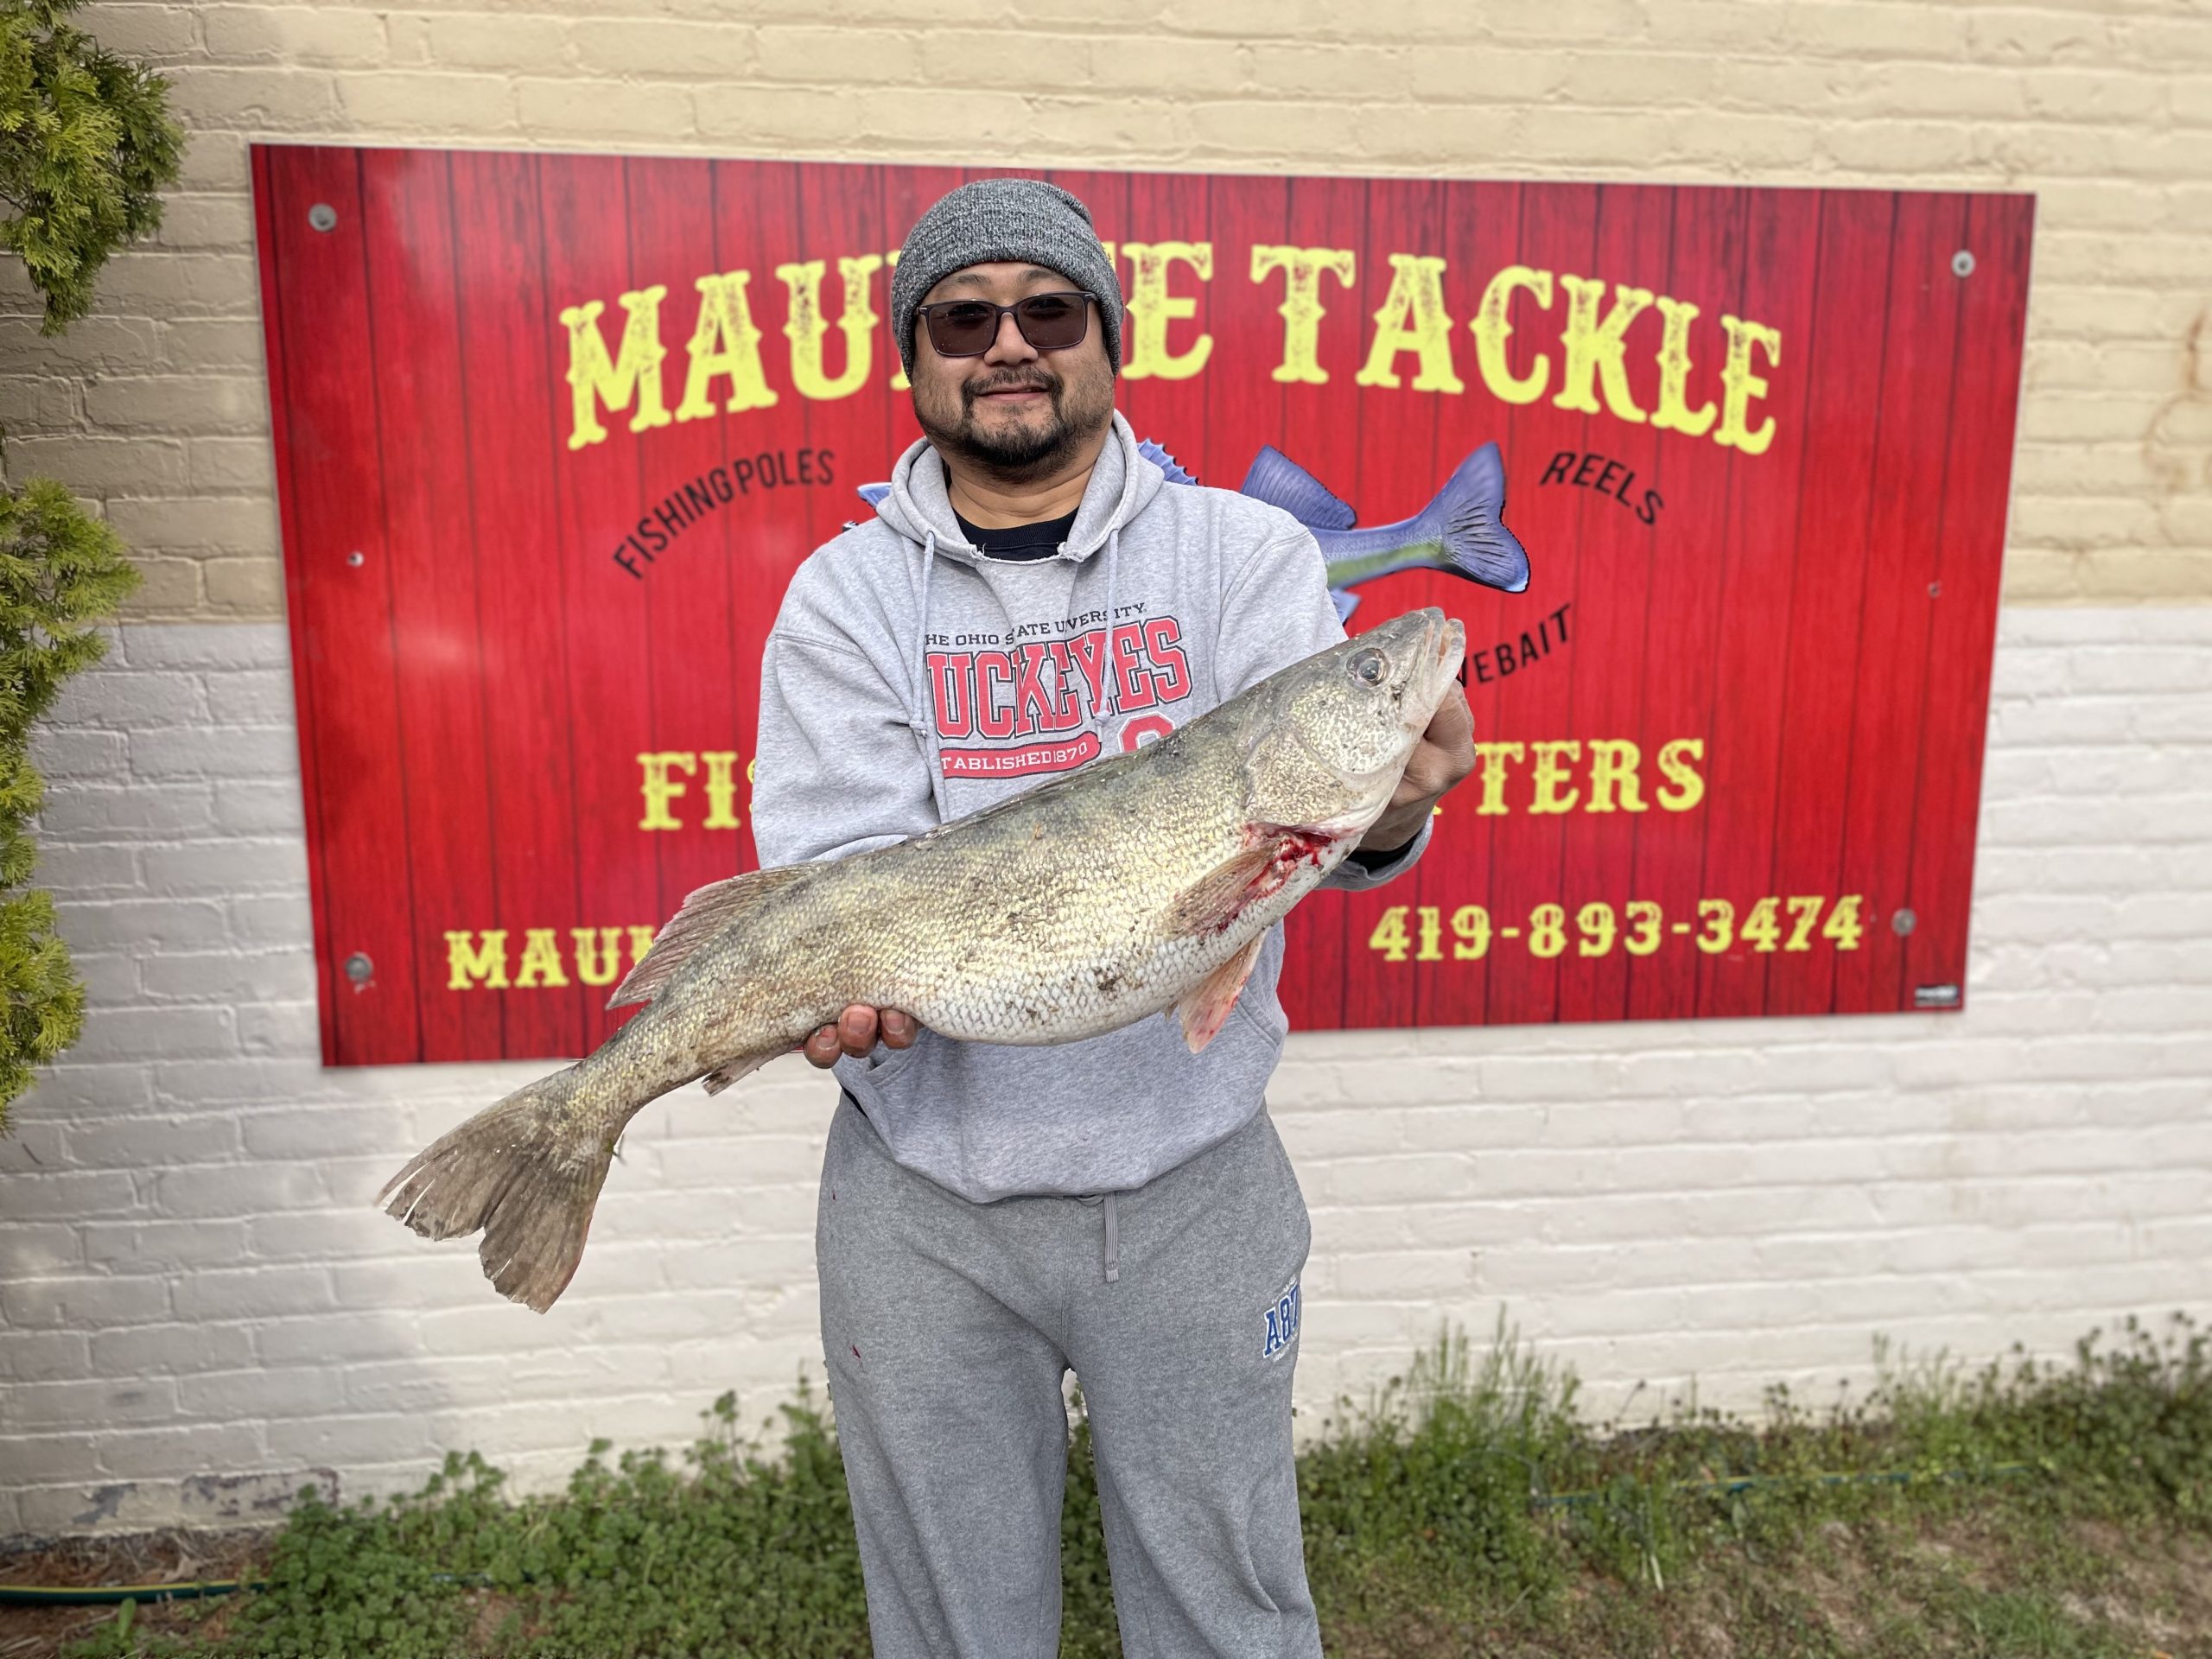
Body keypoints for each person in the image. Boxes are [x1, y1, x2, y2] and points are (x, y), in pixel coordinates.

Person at [750, 178, 1475, 1659]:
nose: (1007, 344)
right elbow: (839, 866)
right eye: (964, 317)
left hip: (1193, 1179)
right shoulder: (842, 598)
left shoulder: (1243, 561)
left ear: (1106, 339)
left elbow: (1327, 821)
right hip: (921, 1201)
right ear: (915, 357)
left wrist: (1396, 805)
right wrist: (841, 989)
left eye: (1048, 310)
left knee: (1228, 1611)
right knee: (954, 1628)